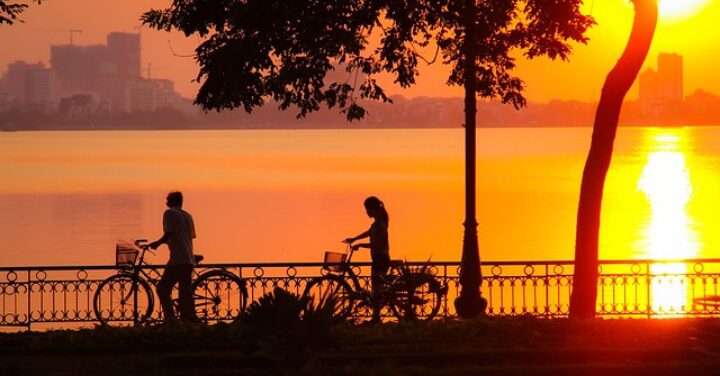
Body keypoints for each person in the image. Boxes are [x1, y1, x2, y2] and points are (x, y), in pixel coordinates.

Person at [149, 191, 198, 323]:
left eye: (167, 200)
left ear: (169, 202)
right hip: (188, 258)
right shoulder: (188, 215)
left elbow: (169, 234)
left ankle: (170, 319)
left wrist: (157, 244)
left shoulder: (169, 213)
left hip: (178, 259)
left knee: (162, 288)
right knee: (185, 292)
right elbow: (190, 236)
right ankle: (188, 319)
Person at [344, 196, 390, 323]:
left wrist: (359, 245)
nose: (367, 213)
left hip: (380, 259)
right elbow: (368, 233)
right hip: (378, 259)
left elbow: (376, 244)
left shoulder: (380, 225)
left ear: (374, 209)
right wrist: (354, 239)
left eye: (368, 210)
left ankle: (376, 317)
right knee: (377, 289)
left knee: (377, 290)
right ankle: (376, 316)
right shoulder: (376, 224)